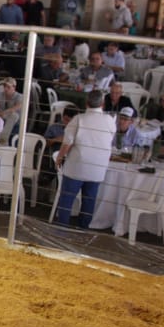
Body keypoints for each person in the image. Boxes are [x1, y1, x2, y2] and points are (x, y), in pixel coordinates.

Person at [54, 91, 115, 228]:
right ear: (102, 104)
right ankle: (82, 230)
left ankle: (61, 230)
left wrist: (59, 158)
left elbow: (66, 144)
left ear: (86, 103)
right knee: (89, 201)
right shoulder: (110, 120)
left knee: (66, 200)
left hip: (77, 167)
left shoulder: (78, 119)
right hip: (97, 169)